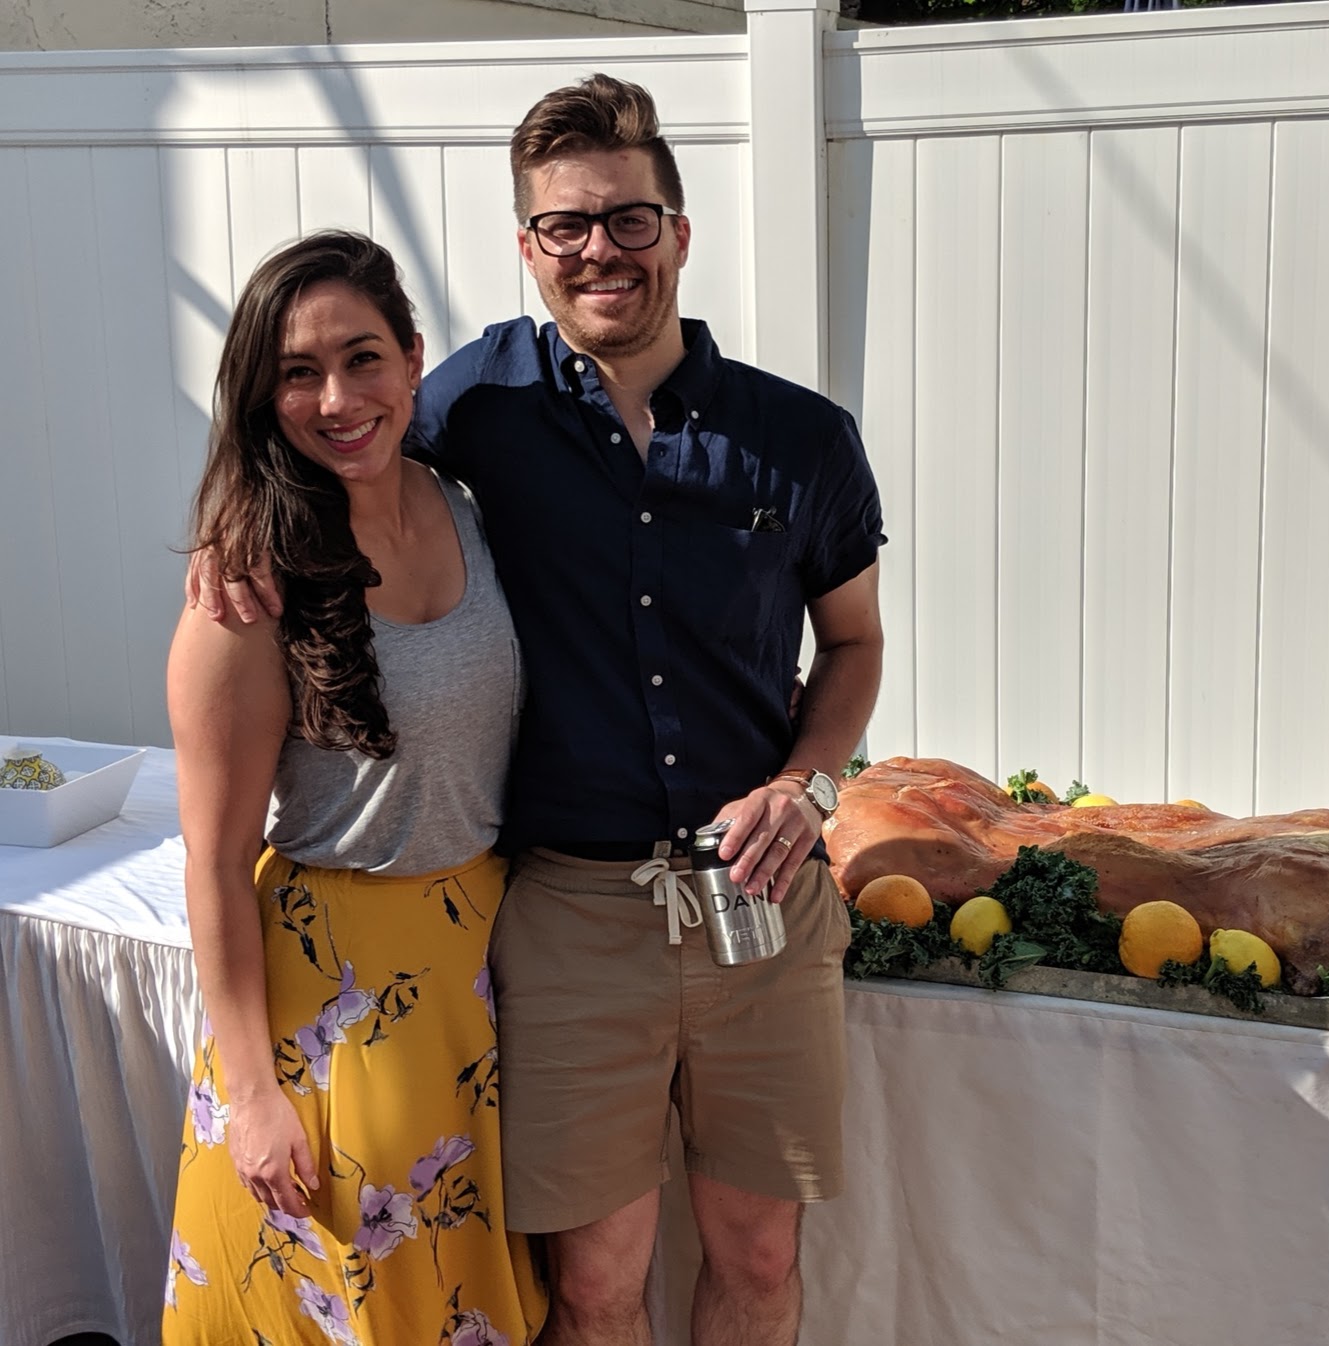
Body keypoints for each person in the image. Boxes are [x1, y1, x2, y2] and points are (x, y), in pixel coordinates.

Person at [195, 74, 886, 1346]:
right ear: (528, 247)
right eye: (564, 226)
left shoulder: (803, 440)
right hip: (569, 909)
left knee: (761, 1246)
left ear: (678, 229)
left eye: (628, 218)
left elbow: (853, 644)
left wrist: (811, 782)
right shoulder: (474, 406)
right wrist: (229, 534)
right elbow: (327, 441)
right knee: (594, 1280)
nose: (598, 251)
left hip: (761, 902)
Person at [165, 231, 545, 1345]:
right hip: (331, 1009)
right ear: (258, 391)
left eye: (363, 357)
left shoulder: (466, 500)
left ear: (415, 360)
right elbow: (213, 862)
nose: (337, 398)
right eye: (297, 371)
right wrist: (254, 1094)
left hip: (475, 974)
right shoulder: (244, 584)